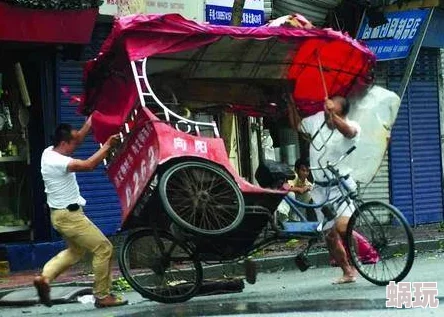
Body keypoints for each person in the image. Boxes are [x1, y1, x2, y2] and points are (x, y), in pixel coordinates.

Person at [33, 117, 128, 308]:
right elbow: (88, 165)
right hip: (70, 217)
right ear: (63, 143)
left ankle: (45, 278)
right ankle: (102, 296)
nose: (77, 144)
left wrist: (93, 119)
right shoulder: (59, 162)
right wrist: (107, 145)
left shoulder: (48, 152)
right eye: (73, 142)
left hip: (60, 216)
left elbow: (78, 137)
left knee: (75, 251)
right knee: (104, 249)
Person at [292, 95, 360, 284]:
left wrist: (333, 116)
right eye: (327, 112)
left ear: (342, 115)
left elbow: (350, 132)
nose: (328, 116)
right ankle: (347, 271)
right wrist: (288, 101)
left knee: (344, 227)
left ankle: (356, 263)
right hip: (321, 190)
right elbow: (298, 125)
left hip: (341, 187)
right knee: (330, 236)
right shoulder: (315, 120)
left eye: (333, 113)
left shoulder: (352, 125)